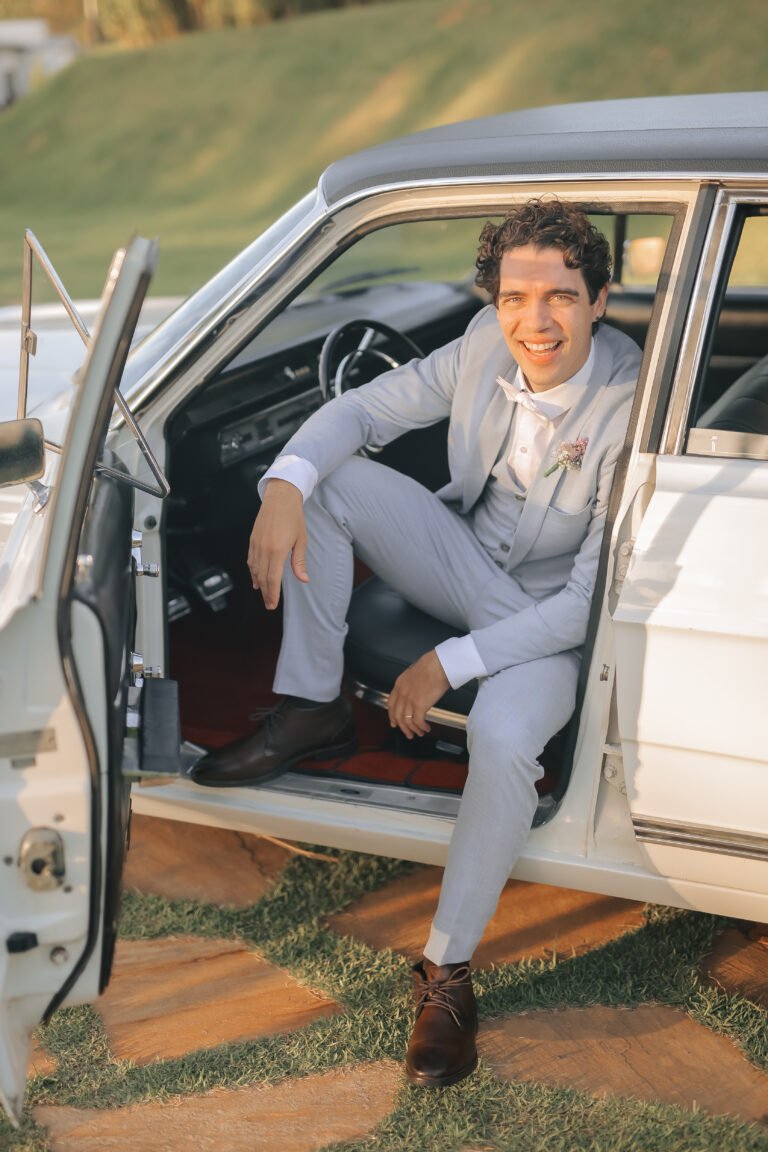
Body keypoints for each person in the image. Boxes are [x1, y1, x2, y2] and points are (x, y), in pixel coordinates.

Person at [191, 198, 642, 1088]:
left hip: (553, 622)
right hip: (466, 560)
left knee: (505, 738)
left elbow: (586, 604)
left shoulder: (629, 403)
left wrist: (448, 662)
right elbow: (360, 411)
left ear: (599, 299)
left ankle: (446, 972)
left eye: (560, 296)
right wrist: (283, 484)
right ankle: (313, 707)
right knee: (328, 483)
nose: (535, 321)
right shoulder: (481, 343)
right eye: (514, 298)